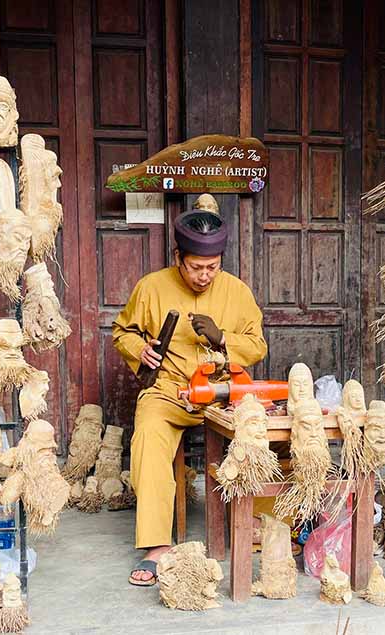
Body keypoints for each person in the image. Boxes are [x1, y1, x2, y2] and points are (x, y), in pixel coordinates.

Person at [112, 194, 267, 586]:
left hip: (223, 393)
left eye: (212, 268)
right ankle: (157, 545)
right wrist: (139, 350)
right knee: (147, 436)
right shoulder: (151, 287)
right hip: (168, 392)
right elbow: (122, 332)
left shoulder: (237, 291)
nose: (204, 276)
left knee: (265, 433)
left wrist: (222, 339)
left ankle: (262, 526)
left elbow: (258, 345)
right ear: (178, 256)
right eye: (196, 267)